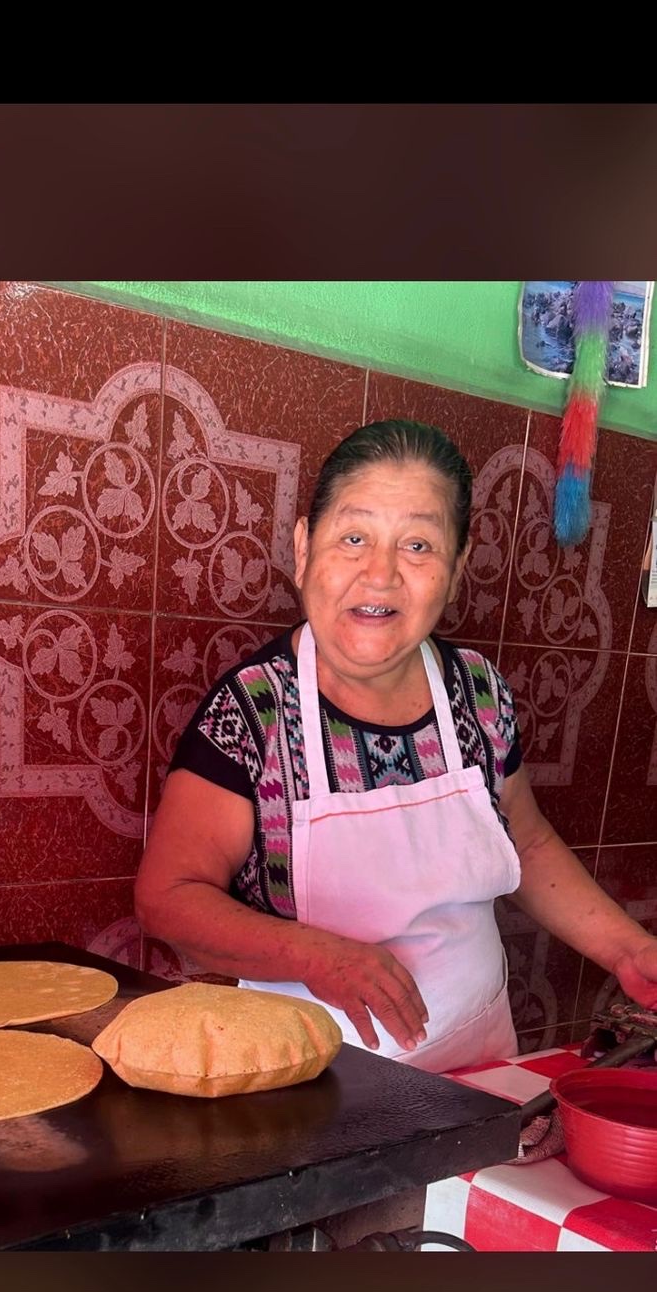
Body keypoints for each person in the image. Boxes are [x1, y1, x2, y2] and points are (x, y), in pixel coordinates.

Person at [136, 419, 657, 1073]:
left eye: (417, 546)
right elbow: (168, 896)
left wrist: (628, 950)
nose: (379, 575)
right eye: (354, 538)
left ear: (457, 568)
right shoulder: (254, 709)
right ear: (304, 549)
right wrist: (315, 957)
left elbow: (524, 842)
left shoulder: (478, 691)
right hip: (308, 1086)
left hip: (477, 1070)